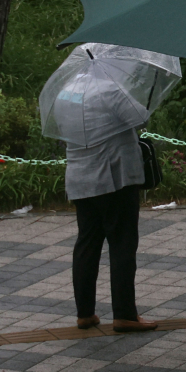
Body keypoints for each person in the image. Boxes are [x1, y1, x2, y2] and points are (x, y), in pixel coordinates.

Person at [68, 125, 157, 333]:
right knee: (122, 244)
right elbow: (140, 117)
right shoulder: (112, 93)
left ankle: (85, 314)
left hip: (80, 179)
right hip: (115, 179)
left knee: (87, 244)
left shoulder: (67, 97)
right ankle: (125, 314)